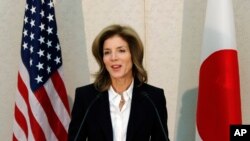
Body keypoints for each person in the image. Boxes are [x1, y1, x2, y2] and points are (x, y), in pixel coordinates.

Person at [68, 24, 170, 141]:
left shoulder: (153, 97)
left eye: (121, 50)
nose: (113, 57)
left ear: (134, 55)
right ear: (103, 59)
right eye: (107, 52)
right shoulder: (86, 97)